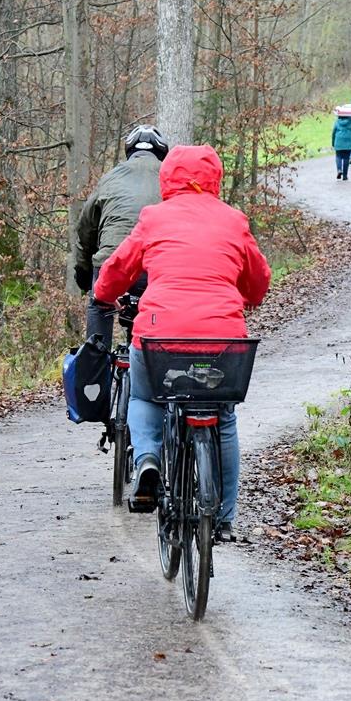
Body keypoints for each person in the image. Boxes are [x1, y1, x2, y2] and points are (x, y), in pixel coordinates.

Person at [93, 144, 270, 542]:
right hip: (223, 341)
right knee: (222, 418)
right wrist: (248, 297)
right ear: (214, 179)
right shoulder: (233, 220)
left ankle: (150, 460)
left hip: (159, 335)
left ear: (166, 178)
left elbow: (118, 267)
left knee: (143, 398)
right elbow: (258, 280)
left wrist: (104, 296)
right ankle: (223, 518)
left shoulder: (154, 218)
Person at [72, 124, 165, 345]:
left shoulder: (110, 178)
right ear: (162, 153)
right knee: (162, 309)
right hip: (155, 264)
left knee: (99, 304)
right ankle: (153, 363)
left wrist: (84, 275)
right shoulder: (171, 179)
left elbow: (86, 230)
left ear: (129, 151)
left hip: (111, 262)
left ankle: (94, 372)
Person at [331, 114, 351, 180]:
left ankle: (339, 170)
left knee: (338, 156)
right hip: (348, 142)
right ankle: (345, 176)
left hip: (338, 141)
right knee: (346, 158)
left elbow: (333, 133)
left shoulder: (337, 122)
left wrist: (333, 143)